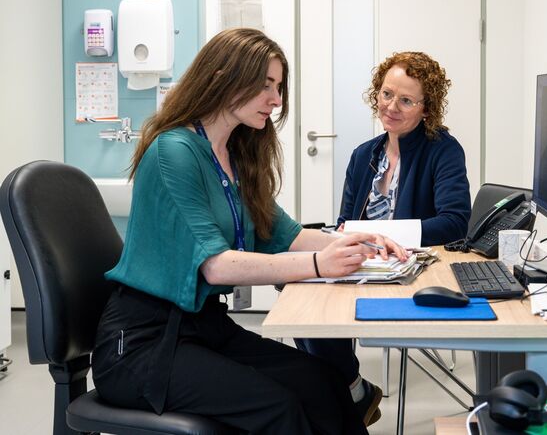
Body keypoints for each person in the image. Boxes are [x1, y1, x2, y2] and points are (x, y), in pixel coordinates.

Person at [91, 28, 405, 434]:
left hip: (203, 327)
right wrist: (318, 263)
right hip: (144, 344)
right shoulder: (174, 152)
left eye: (278, 87)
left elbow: (285, 234)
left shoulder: (234, 154)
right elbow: (216, 268)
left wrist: (354, 243)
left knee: (324, 381)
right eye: (265, 86)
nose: (276, 100)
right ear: (222, 77)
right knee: (279, 408)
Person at [295, 51, 471, 418]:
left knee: (317, 302)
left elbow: (455, 222)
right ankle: (350, 391)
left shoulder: (443, 150)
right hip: (367, 262)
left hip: (413, 268)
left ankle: (345, 399)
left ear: (426, 108)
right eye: (387, 93)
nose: (392, 106)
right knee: (303, 296)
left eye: (406, 100)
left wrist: (380, 235)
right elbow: (345, 220)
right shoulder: (364, 156)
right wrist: (350, 236)